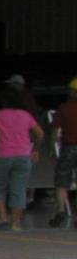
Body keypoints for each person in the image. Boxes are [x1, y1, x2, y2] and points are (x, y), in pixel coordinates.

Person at [0, 84, 43, 231]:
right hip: (23, 156)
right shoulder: (25, 115)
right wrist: (35, 150)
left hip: (3, 155)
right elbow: (40, 133)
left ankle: (3, 217)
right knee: (19, 189)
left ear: (3, 101)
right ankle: (16, 223)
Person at [53, 79, 77, 228]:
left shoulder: (64, 108)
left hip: (68, 148)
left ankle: (61, 210)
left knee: (61, 181)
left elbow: (55, 131)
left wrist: (52, 148)